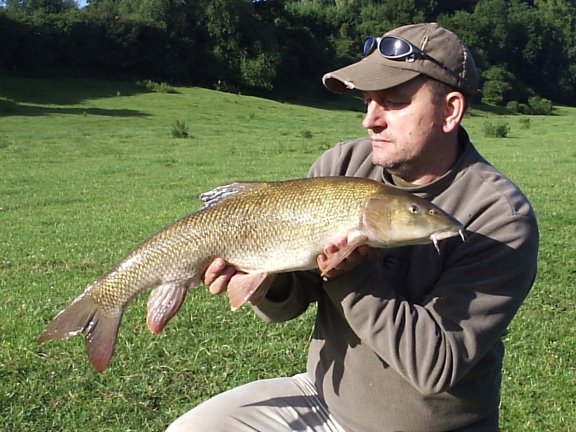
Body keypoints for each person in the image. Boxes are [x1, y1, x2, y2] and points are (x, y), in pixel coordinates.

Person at [166, 22, 539, 432]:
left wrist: (353, 275)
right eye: (367, 102)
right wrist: (260, 274)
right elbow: (292, 303)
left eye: (393, 103)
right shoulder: (341, 167)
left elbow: (437, 365)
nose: (370, 120)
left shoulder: (498, 217)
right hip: (325, 400)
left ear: (450, 110)